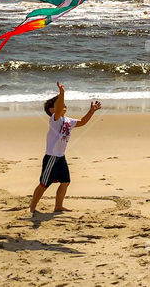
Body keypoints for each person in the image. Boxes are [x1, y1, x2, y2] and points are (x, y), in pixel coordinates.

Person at [29, 82, 102, 215]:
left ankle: (58, 206)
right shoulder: (54, 119)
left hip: (61, 157)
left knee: (66, 182)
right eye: (59, 103)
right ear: (52, 110)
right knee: (44, 184)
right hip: (51, 156)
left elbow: (82, 122)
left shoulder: (67, 120)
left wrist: (91, 111)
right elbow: (58, 108)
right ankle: (32, 207)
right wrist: (61, 94)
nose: (64, 104)